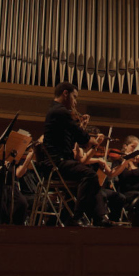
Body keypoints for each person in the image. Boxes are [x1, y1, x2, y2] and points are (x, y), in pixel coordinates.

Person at [41, 81, 108, 226]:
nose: (75, 102)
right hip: (56, 164)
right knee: (90, 175)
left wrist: (82, 128)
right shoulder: (60, 111)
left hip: (59, 162)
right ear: (65, 93)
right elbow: (81, 137)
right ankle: (77, 217)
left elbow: (71, 139)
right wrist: (91, 140)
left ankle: (99, 218)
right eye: (75, 97)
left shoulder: (56, 111)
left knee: (90, 176)